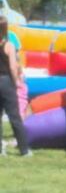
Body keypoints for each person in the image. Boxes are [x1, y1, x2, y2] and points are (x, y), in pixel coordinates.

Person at [0, 15, 31, 157]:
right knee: (14, 117)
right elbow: (13, 67)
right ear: (6, 29)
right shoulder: (9, 46)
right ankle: (24, 149)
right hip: (6, 81)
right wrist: (16, 82)